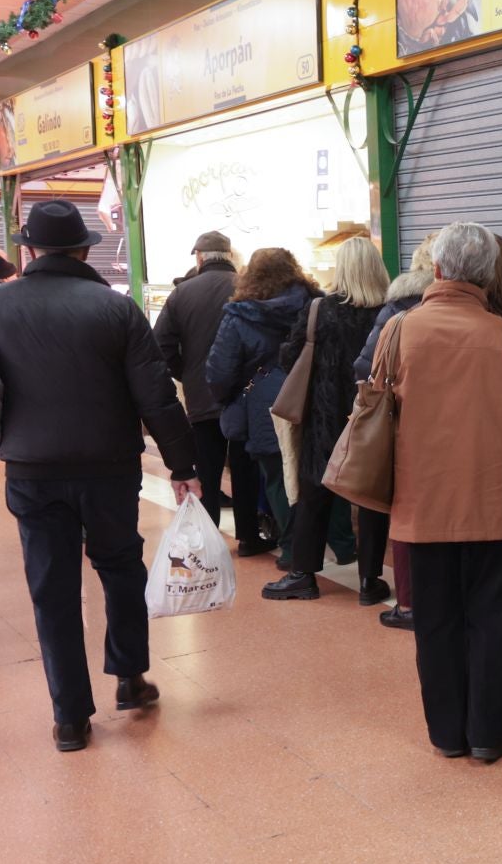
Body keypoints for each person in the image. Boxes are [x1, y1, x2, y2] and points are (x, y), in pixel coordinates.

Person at [0, 202, 199, 751]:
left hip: (32, 471)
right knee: (119, 566)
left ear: (31, 250)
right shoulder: (116, 308)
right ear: (85, 250)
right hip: (108, 468)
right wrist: (183, 466)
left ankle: (69, 717)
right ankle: (130, 677)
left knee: (51, 585)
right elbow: (155, 395)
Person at [387, 222, 502, 762]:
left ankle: (446, 735)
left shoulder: (401, 330)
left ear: (435, 269)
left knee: (434, 621)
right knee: (495, 618)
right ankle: (489, 735)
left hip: (423, 502)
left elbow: (378, 411)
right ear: (486, 276)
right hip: (495, 502)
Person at [262, 237, 391, 605]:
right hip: (372, 419)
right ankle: (369, 581)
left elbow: (289, 359)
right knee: (371, 497)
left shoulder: (320, 310)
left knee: (313, 494)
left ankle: (303, 575)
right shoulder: (391, 314)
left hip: (324, 417)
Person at [206, 248, 335, 571]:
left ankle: (293, 550)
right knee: (313, 474)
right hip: (312, 398)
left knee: (277, 478)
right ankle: (333, 545)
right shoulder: (317, 303)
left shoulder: (239, 315)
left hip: (265, 405)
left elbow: (220, 373)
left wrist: (228, 399)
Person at [153, 231, 270, 554]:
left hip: (202, 396)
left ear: (200, 257)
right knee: (246, 468)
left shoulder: (182, 293)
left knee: (206, 469)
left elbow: (160, 346)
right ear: (228, 255)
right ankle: (248, 536)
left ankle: (207, 539)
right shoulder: (249, 288)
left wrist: (187, 373)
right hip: (246, 395)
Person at [356, 236, 436, 631]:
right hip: (458, 436)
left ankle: (408, 604)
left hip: (407, 430)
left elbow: (365, 368)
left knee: (407, 519)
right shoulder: (486, 311)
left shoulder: (398, 310)